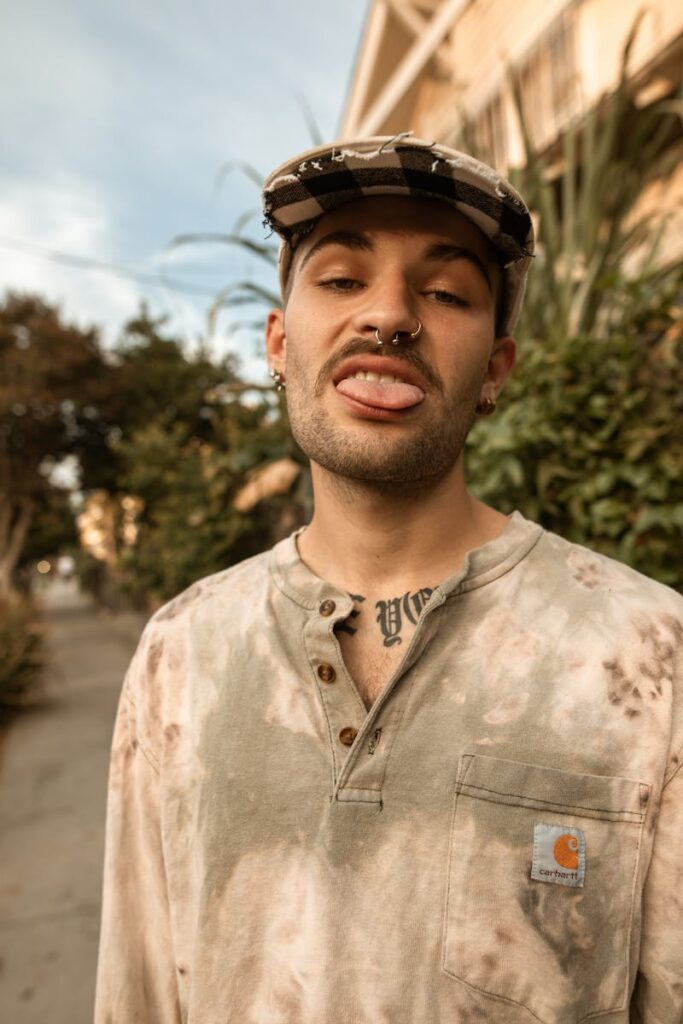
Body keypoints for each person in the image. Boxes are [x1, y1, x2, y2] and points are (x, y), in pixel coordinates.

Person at [94, 135, 682, 1023]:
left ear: (493, 371)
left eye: (444, 293)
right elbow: (135, 992)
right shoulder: (180, 652)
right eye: (341, 279)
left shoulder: (647, 655)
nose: (389, 315)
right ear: (279, 343)